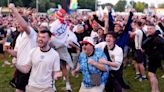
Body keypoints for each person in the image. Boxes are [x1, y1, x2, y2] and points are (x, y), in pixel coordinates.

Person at [5, 3, 37, 92]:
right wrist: (8, 50)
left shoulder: (31, 33)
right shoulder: (19, 36)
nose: (18, 25)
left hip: (30, 68)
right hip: (20, 68)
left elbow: (24, 26)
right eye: (17, 24)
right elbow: (16, 53)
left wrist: (13, 9)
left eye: (19, 23)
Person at [50, 8, 73, 91]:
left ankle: (53, 85)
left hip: (54, 47)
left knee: (52, 66)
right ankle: (67, 84)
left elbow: (50, 36)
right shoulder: (66, 23)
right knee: (63, 66)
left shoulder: (53, 25)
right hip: (62, 46)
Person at [142, 23, 164, 92]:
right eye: (148, 29)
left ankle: (155, 90)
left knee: (151, 74)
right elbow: (144, 45)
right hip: (152, 58)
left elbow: (162, 44)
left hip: (155, 58)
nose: (149, 30)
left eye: (151, 29)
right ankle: (155, 90)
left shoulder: (157, 38)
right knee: (151, 74)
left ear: (155, 29)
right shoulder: (151, 37)